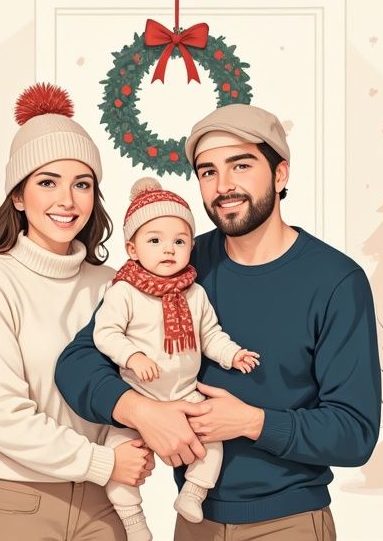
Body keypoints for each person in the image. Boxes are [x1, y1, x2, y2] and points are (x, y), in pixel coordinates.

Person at [55, 103, 381, 540]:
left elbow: (354, 432)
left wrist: (252, 422)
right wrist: (144, 411)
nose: (223, 186)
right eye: (208, 172)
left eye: (240, 165)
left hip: (290, 524)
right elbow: (77, 361)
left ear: (280, 175)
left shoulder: (336, 282)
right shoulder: (178, 261)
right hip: (195, 524)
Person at [0, 83, 154, 541]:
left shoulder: (114, 284)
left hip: (106, 503)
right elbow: (2, 416)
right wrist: (104, 462)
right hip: (15, 504)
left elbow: (139, 387)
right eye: (47, 182)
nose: (67, 200)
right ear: (18, 197)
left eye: (81, 184)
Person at [94, 177, 261, 541]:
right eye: (155, 240)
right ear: (132, 248)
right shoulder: (124, 291)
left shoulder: (195, 293)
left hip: (185, 395)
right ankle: (133, 520)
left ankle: (193, 492)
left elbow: (210, 335)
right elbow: (104, 333)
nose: (168, 249)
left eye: (180, 241)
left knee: (211, 444)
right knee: (116, 459)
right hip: (138, 395)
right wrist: (132, 355)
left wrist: (232, 354)